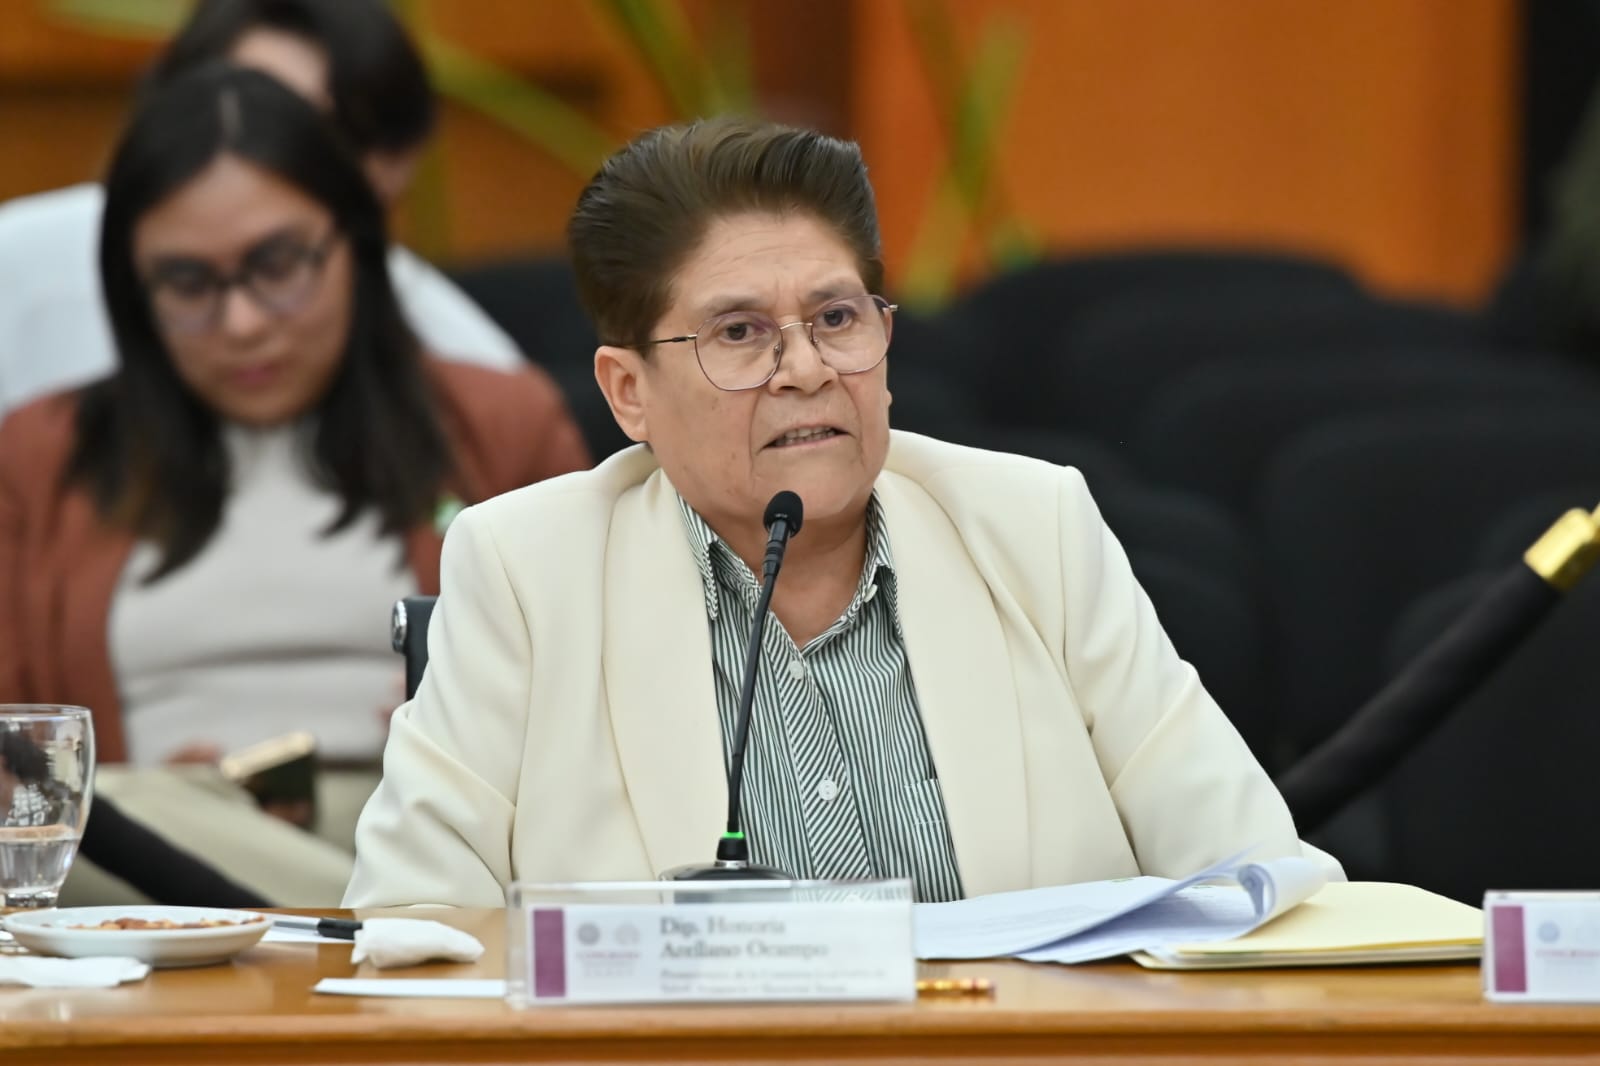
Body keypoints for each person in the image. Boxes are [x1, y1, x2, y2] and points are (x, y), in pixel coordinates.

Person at [345, 116, 1341, 908]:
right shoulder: (527, 571)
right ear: (628, 392)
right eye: (741, 333)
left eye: (836, 317)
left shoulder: (1033, 528)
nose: (807, 369)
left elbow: (1261, 876)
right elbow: (414, 925)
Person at [0, 65, 590, 903]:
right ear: (134, 290)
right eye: (188, 283)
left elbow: (600, 695)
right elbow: (19, 770)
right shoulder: (42, 452)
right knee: (93, 822)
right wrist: (185, 805)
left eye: (277, 266)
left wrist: (472, 725)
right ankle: (371, 927)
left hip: (422, 824)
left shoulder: (499, 422)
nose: (241, 322)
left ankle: (337, 919)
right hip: (140, 857)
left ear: (357, 245)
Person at [0, 0, 522, 418]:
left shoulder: (471, 395)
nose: (241, 324)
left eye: (294, 136)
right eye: (184, 281)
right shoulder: (18, 264)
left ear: (392, 171)